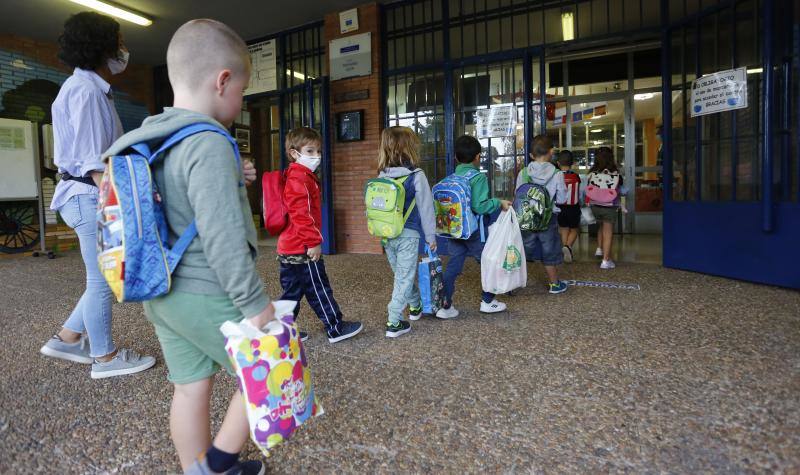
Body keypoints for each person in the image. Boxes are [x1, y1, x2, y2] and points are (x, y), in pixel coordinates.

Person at [101, 19, 272, 474]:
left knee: (192, 388)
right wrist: (254, 304)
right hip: (206, 290)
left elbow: (179, 201)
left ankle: (194, 470)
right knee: (267, 374)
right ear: (223, 81)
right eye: (242, 90)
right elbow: (222, 236)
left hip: (160, 291)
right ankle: (217, 463)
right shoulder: (210, 142)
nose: (240, 102)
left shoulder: (154, 136)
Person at [39, 11, 155, 379]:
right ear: (101, 46)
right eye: (119, 41)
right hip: (88, 194)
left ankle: (67, 338)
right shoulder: (87, 91)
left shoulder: (86, 88)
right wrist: (128, 201)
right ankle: (104, 358)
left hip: (82, 194)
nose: (123, 49)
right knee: (102, 278)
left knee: (100, 276)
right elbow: (93, 162)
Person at [277, 127, 363, 343]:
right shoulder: (300, 178)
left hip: (289, 247)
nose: (316, 156)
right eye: (310, 151)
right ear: (294, 153)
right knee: (319, 289)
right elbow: (301, 215)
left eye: (318, 151)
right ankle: (335, 328)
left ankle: (282, 333)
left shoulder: (297, 175)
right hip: (302, 248)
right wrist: (313, 242)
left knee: (292, 293)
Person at [438, 135, 512, 319]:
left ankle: (444, 305)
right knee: (489, 262)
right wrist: (498, 202)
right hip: (474, 231)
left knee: (453, 266)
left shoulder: (451, 177)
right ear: (478, 157)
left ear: (455, 157)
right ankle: (488, 301)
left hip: (454, 230)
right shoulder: (478, 178)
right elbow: (479, 206)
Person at [375, 127, 437, 337]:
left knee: (402, 274)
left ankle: (416, 305)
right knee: (404, 275)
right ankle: (394, 321)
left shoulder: (382, 176)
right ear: (410, 148)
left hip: (387, 234)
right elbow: (426, 208)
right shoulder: (416, 176)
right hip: (408, 235)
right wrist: (431, 237)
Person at [515, 135, 568, 294]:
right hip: (548, 218)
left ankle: (513, 284)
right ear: (551, 152)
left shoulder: (524, 173)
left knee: (523, 249)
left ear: (531, 155)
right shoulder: (557, 174)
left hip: (526, 217)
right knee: (549, 249)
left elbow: (517, 194)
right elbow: (562, 199)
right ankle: (554, 284)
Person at [587, 146, 628, 269]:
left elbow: (588, 189)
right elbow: (620, 189)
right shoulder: (616, 174)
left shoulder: (592, 173)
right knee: (608, 232)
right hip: (609, 206)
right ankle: (605, 260)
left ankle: (600, 249)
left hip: (595, 206)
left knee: (601, 227)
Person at [556, 150, 583, 263]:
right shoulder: (576, 176)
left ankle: (565, 250)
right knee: (574, 229)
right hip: (573, 207)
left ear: (558, 163)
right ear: (572, 163)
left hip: (560, 207)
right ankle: (568, 246)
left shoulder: (556, 176)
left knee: (563, 229)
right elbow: (580, 193)